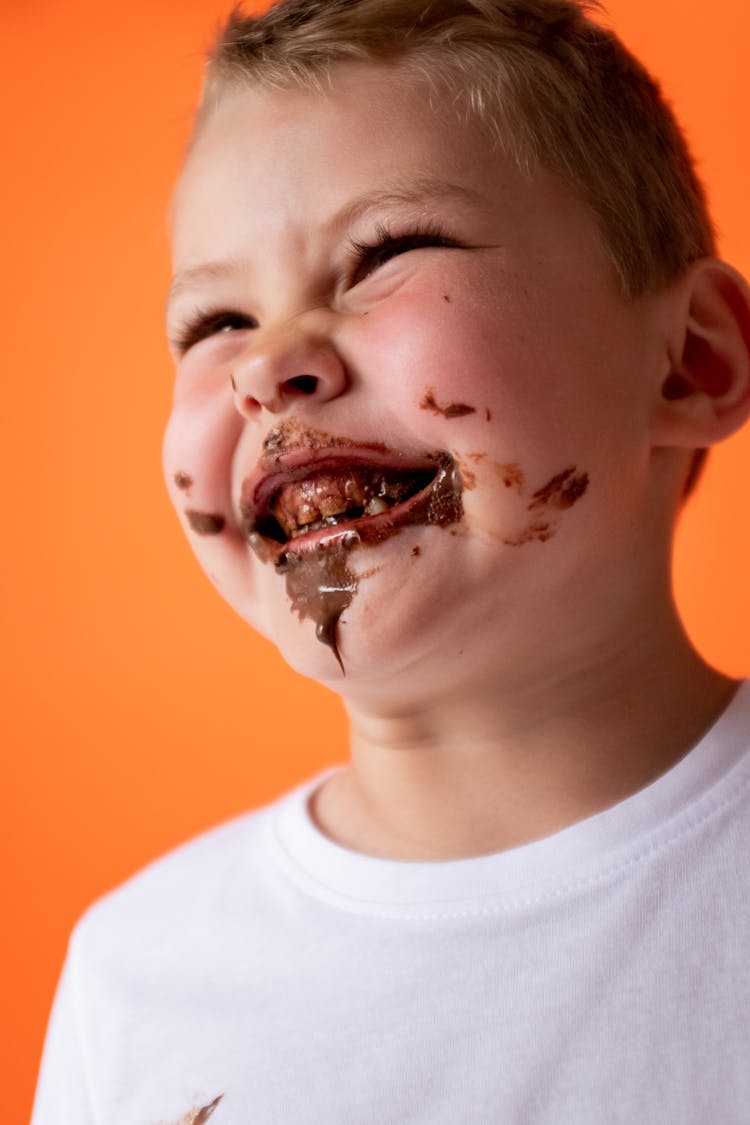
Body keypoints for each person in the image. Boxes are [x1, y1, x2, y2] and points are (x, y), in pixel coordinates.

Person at [32, 0, 750, 1121]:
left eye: (385, 253)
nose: (265, 367)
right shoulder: (136, 975)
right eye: (212, 320)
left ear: (690, 364)